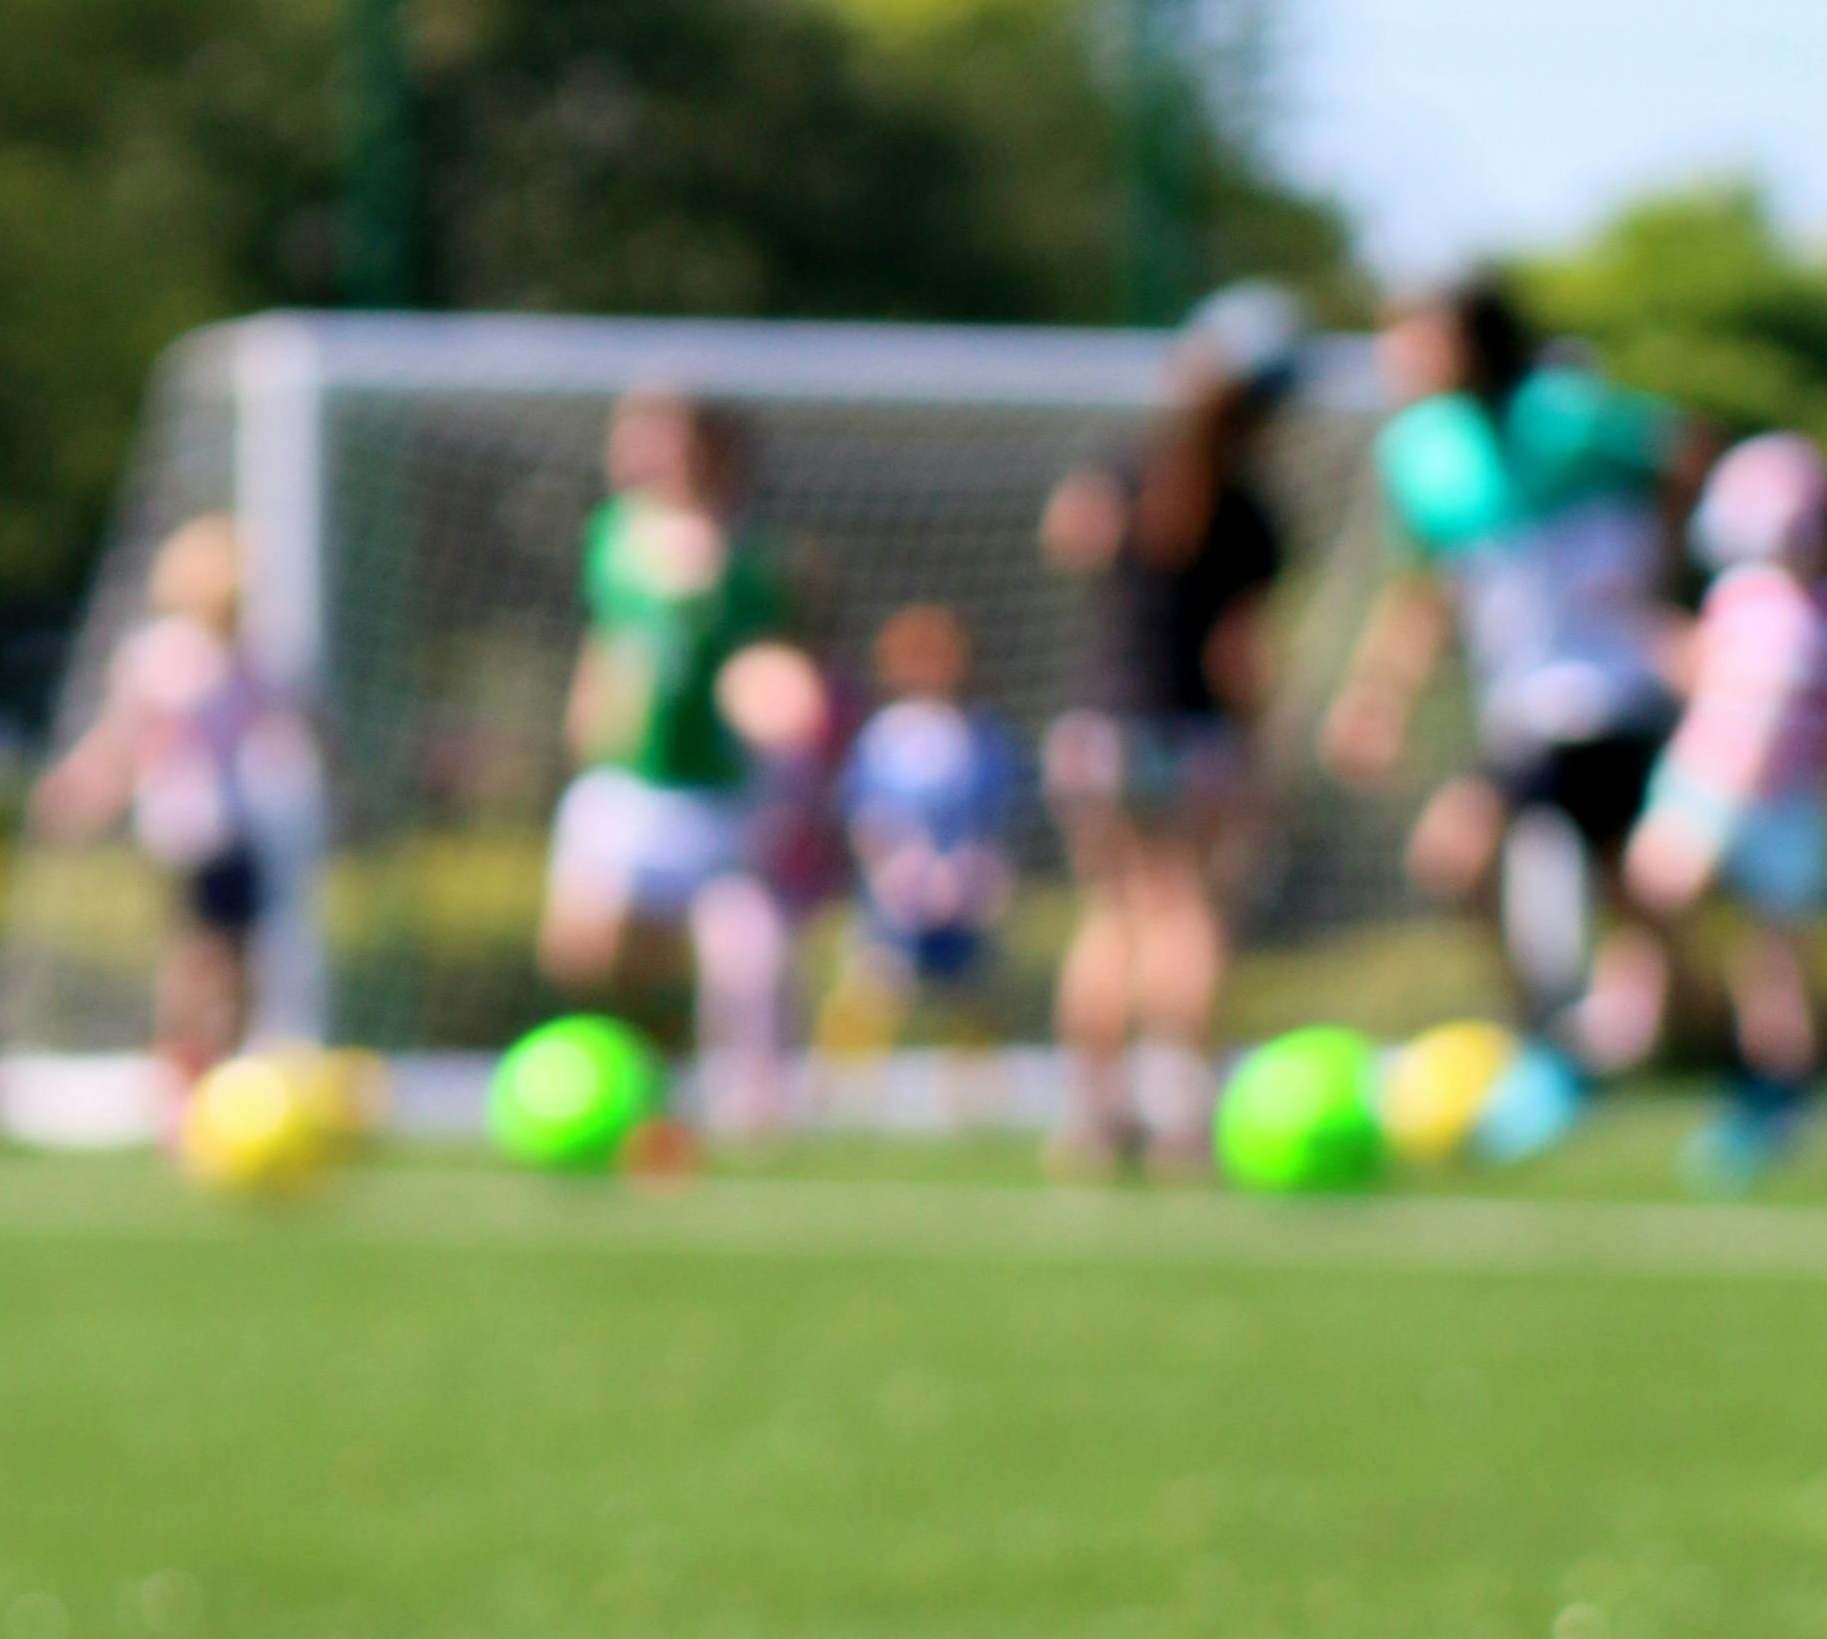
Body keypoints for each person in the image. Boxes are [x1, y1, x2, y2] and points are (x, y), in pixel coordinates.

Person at [1324, 272, 1691, 1100]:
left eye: (1415, 337)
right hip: (1523, 707)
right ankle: (1564, 1037)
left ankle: (1697, 1050)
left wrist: (1656, 580)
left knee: (1622, 895)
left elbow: (1681, 452)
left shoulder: (1568, 417)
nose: (1395, 357)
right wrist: (1376, 698)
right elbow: (1422, 589)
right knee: (1476, 866)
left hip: (1607, 696)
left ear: (1467, 343)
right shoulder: (1422, 453)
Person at [1621, 428, 1827, 1184]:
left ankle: (1779, 1099)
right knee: (1657, 902)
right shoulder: (1742, 599)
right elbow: (1704, 675)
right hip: (1704, 783)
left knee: (1781, 961)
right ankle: (1630, 1037)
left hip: (1790, 803)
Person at [1037, 281, 1304, 1169]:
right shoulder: (1251, 512)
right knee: (1186, 913)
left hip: (1101, 726)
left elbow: (1067, 536)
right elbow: (1239, 657)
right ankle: (1187, 1121)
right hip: (1189, 735)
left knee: (1112, 918)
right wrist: (1260, 754)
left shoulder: (1128, 467)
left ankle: (1092, 1122)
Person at [537, 393, 825, 1119]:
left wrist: (777, 704)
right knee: (584, 952)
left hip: (713, 786)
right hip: (623, 779)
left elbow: (770, 666)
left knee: (741, 950)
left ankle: (732, 1091)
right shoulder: (611, 534)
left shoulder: (749, 554)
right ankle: (634, 1077)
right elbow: (610, 640)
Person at [34, 514, 322, 1078]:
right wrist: (86, 786)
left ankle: (226, 1065)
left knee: (237, 955)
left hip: (238, 826)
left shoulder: (253, 655)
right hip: (184, 827)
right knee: (198, 955)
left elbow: (296, 723)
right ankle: (185, 1068)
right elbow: (124, 739)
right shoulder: (161, 655)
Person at [829, 604, 1024, 1035]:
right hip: (896, 891)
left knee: (972, 1001)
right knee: (874, 988)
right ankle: (844, 1090)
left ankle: (975, 1092)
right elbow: (865, 815)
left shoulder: (980, 733)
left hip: (961, 891)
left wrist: (969, 874)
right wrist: (895, 871)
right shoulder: (881, 735)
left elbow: (992, 822)